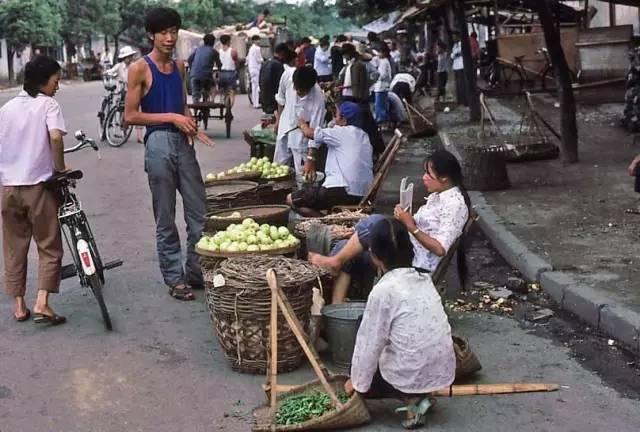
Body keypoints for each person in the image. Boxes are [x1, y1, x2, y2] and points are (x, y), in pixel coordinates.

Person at [124, 7, 214, 301]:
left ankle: (197, 271)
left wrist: (190, 124)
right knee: (165, 216)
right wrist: (171, 118)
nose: (170, 37)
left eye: (174, 31)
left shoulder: (180, 67)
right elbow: (131, 116)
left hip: (182, 142)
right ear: (151, 34)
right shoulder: (140, 68)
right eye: (163, 32)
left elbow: (183, 104)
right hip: (158, 143)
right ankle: (175, 279)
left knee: (199, 213)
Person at [310, 150, 470, 304]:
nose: (424, 178)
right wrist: (404, 216)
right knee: (345, 246)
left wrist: (410, 225)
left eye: (429, 174)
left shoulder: (454, 205)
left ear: (444, 178)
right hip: (408, 248)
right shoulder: (438, 196)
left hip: (416, 262)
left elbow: (440, 248)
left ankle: (334, 263)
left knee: (374, 223)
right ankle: (336, 308)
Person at [343, 218, 456, 430]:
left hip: (410, 370)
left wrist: (356, 383)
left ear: (374, 256)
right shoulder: (424, 279)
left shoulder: (383, 291)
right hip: (442, 367)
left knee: (364, 329)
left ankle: (412, 400)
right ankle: (422, 392)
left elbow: (370, 343)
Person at [0, 55, 68, 325]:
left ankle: (19, 305)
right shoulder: (48, 105)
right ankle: (42, 302)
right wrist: (59, 168)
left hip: (8, 188)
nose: (57, 87)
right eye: (56, 81)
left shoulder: (6, 108)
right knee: (49, 245)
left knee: (14, 246)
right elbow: (55, 137)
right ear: (43, 82)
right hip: (37, 186)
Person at [287, 101, 373, 216]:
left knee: (290, 199)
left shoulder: (341, 132)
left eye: (336, 116)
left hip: (341, 190)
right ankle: (330, 220)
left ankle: (326, 222)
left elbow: (309, 133)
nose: (335, 119)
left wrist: (302, 124)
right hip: (362, 193)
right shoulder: (364, 136)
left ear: (344, 119)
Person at [274, 66, 326, 177]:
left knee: (302, 173)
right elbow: (281, 99)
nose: (298, 92)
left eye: (302, 92)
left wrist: (310, 158)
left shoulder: (318, 98)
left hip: (302, 135)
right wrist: (278, 120)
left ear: (310, 88)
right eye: (296, 88)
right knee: (277, 169)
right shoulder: (287, 75)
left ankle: (300, 192)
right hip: (285, 125)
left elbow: (315, 132)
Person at [338, 43, 385, 158]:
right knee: (362, 126)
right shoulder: (350, 65)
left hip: (357, 99)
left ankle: (371, 150)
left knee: (365, 126)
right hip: (353, 98)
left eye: (345, 55)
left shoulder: (358, 65)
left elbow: (357, 85)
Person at [106, 45, 144, 143]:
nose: (129, 59)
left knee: (138, 112)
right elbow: (110, 72)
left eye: (130, 56)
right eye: (127, 57)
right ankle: (124, 132)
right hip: (122, 92)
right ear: (123, 58)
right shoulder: (119, 66)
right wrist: (108, 74)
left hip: (134, 91)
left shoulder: (135, 66)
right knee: (124, 114)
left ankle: (139, 136)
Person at [187, 34, 222, 104]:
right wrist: (220, 70)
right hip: (206, 75)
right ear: (213, 42)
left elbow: (189, 59)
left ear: (204, 41)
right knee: (210, 86)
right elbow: (219, 64)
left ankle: (196, 104)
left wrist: (192, 69)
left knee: (195, 92)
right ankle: (207, 99)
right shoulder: (214, 52)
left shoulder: (197, 49)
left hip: (194, 74)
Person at [259, 43, 290, 115]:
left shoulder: (265, 63)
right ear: (282, 53)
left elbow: (260, 82)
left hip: (264, 100)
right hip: (274, 102)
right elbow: (281, 85)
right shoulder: (278, 65)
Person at [373, 44, 392, 126]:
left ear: (384, 53)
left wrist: (376, 77)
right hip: (381, 86)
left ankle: (383, 122)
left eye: (380, 53)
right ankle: (384, 122)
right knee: (381, 105)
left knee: (380, 106)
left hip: (381, 87)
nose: (378, 54)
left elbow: (383, 75)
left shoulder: (384, 62)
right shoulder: (384, 61)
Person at [218, 34, 239, 109]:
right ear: (228, 41)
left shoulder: (219, 52)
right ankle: (229, 110)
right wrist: (237, 70)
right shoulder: (233, 51)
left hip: (221, 74)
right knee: (231, 93)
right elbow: (237, 62)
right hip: (230, 73)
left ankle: (225, 105)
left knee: (224, 93)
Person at [247, 35, 264, 109]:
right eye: (258, 40)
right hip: (256, 69)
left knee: (254, 86)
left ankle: (254, 102)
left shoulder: (251, 48)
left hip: (251, 68)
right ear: (254, 41)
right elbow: (258, 59)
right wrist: (263, 60)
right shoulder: (257, 48)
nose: (259, 41)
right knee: (256, 86)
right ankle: (256, 104)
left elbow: (248, 58)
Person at [451, 33, 466, 106]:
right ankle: (459, 100)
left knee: (462, 84)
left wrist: (455, 54)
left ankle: (464, 100)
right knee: (457, 85)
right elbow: (452, 55)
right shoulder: (454, 45)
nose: (453, 38)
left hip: (461, 66)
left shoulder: (461, 44)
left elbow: (458, 53)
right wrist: (454, 54)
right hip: (455, 66)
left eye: (454, 37)